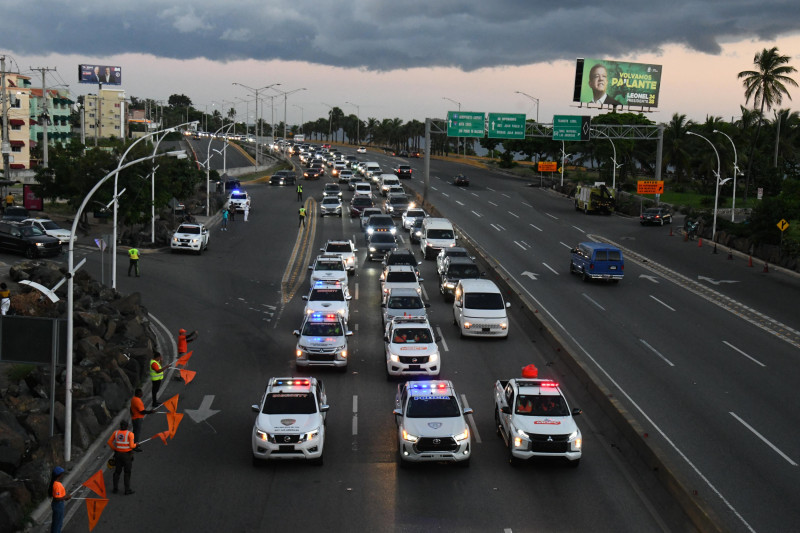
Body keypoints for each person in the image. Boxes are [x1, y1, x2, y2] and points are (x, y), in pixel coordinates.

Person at [107, 420, 140, 495]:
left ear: (120, 426)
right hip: (127, 456)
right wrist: (136, 445)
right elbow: (132, 446)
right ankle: (127, 490)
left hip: (118, 455)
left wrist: (115, 449)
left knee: (117, 472)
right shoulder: (130, 434)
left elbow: (109, 442)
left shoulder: (116, 433)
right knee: (127, 472)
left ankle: (115, 489)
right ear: (127, 426)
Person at [49, 466, 71, 533]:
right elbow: (57, 498)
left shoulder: (54, 483)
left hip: (57, 504)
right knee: (58, 523)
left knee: (56, 522)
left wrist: (65, 497)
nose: (63, 474)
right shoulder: (57, 485)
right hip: (58, 505)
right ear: (59, 475)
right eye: (62, 473)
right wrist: (66, 498)